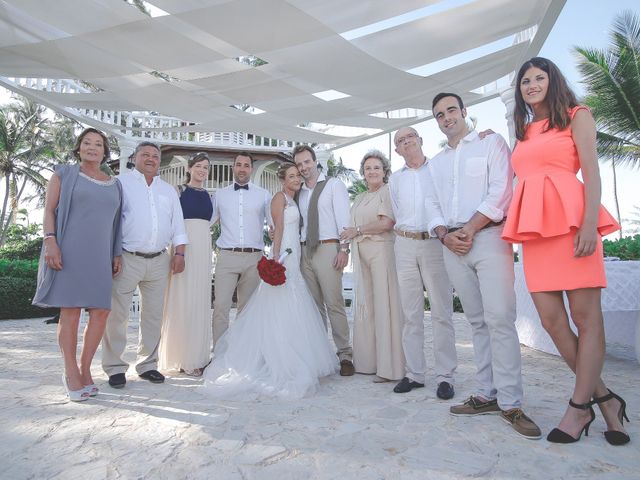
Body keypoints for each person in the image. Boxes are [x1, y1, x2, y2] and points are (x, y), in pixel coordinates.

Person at [502, 57, 628, 445]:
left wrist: (590, 224)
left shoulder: (578, 114)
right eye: (525, 80)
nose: (532, 84)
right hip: (534, 232)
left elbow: (592, 172)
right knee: (552, 321)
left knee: (587, 319)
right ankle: (605, 399)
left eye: (539, 77)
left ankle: (578, 408)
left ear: (553, 81)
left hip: (574, 226)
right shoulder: (522, 129)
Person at [425, 92, 541, 439]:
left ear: (464, 112)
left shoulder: (491, 143)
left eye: (450, 110)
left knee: (500, 318)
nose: (446, 117)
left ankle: (511, 403)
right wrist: (445, 234)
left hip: (489, 237)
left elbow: (501, 191)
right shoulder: (436, 162)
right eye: (439, 115)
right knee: (476, 321)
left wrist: (470, 229)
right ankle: (487, 394)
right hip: (452, 245)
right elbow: (432, 204)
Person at [203, 163, 338, 398]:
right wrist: (276, 258)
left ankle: (297, 353)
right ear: (283, 180)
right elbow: (278, 227)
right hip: (285, 256)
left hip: (294, 255)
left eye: (298, 175)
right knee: (278, 306)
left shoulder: (294, 199)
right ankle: (275, 358)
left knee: (293, 307)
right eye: (292, 176)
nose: (297, 179)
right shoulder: (279, 198)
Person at [33, 127, 122, 401]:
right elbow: (49, 210)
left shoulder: (114, 182)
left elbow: (118, 222)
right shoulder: (64, 174)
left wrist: (116, 252)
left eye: (98, 144)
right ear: (79, 147)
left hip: (100, 255)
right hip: (69, 251)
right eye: (87, 143)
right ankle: (71, 371)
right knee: (70, 312)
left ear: (105, 151)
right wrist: (50, 240)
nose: (92, 147)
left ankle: (85, 368)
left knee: (101, 312)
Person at [102, 141, 188, 389]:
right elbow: (113, 220)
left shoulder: (169, 190)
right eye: (145, 155)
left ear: (160, 161)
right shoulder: (121, 183)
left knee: (153, 315)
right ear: (135, 158)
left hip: (160, 260)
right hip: (127, 258)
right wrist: (113, 253)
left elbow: (178, 225)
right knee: (117, 315)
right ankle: (115, 367)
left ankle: (148, 365)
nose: (150, 159)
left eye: (155, 156)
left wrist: (179, 253)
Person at [388, 127, 457, 398]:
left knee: (441, 311)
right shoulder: (394, 180)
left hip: (434, 243)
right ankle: (414, 374)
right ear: (397, 150)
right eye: (400, 141)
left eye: (410, 137)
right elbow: (397, 211)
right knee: (411, 314)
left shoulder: (438, 169)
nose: (406, 142)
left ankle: (445, 376)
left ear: (420, 140)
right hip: (404, 244)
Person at [340, 150, 404, 382]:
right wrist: (345, 248)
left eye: (376, 167)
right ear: (363, 173)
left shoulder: (387, 192)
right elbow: (349, 227)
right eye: (368, 168)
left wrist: (357, 231)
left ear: (385, 171)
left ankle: (390, 368)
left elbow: (387, 222)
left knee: (384, 307)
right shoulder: (359, 197)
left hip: (381, 252)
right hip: (361, 254)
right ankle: (368, 363)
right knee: (366, 307)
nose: (372, 171)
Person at [293, 145, 354, 376]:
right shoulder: (299, 192)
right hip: (304, 251)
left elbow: (343, 219)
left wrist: (344, 250)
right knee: (314, 307)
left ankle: (345, 354)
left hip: (328, 248)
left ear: (314, 161)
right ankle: (320, 355)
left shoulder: (333, 186)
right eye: (299, 164)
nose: (304, 167)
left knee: (334, 303)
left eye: (307, 162)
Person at [159, 152, 214, 376]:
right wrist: (176, 251)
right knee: (181, 298)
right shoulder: (178, 191)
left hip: (203, 248)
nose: (202, 170)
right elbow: (169, 220)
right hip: (183, 247)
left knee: (200, 299)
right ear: (189, 168)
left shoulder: (210, 196)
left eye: (206, 167)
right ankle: (180, 356)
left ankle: (198, 356)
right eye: (198, 166)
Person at [211, 152, 271, 349]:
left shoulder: (264, 195)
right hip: (227, 256)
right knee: (221, 306)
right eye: (239, 164)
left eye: (246, 165)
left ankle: (243, 352)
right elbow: (207, 223)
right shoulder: (220, 195)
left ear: (251, 169)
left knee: (247, 309)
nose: (242, 168)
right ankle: (220, 351)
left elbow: (273, 225)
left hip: (254, 258)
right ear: (233, 167)